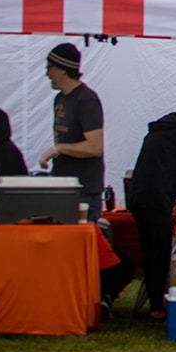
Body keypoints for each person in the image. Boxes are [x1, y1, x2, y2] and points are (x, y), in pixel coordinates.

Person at [126, 109, 176, 322]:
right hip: (155, 200)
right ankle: (156, 306)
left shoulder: (156, 133)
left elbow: (162, 171)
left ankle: (154, 300)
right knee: (160, 251)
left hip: (137, 196)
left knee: (148, 249)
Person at [37, 42, 105, 223]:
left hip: (83, 191)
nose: (47, 74)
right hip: (62, 187)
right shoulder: (60, 99)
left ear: (63, 69)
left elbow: (95, 147)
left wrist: (58, 148)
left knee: (80, 244)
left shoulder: (86, 100)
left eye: (49, 68)